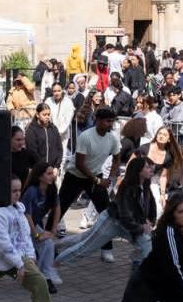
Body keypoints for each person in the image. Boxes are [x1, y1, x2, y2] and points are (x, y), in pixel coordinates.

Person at [57, 156, 156, 268]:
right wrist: (141, 227)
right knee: (86, 247)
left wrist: (150, 221)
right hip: (111, 222)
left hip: (129, 225)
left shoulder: (145, 184)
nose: (151, 170)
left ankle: (137, 266)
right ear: (138, 170)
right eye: (147, 167)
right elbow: (124, 214)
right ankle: (54, 264)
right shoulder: (128, 186)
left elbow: (151, 206)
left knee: (146, 244)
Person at [58, 108, 121, 263]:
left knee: (106, 213)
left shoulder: (113, 138)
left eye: (112, 121)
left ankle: (106, 249)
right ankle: (45, 244)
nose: (110, 124)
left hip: (95, 176)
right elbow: (80, 164)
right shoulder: (86, 136)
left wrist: (110, 178)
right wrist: (98, 181)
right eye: (107, 121)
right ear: (97, 120)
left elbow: (117, 158)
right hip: (75, 176)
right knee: (59, 209)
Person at [21, 162, 63, 292]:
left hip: (35, 224)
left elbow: (57, 208)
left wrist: (53, 230)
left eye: (52, 173)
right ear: (39, 177)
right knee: (44, 245)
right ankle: (41, 276)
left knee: (48, 244)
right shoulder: (31, 191)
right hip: (22, 225)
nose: (53, 176)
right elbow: (26, 215)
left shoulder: (51, 188)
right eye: (49, 174)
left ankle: (45, 276)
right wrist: (36, 235)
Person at [26, 102, 63, 169]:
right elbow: (32, 151)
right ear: (37, 114)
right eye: (44, 114)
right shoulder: (31, 130)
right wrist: (44, 167)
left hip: (53, 169)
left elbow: (59, 148)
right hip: (37, 169)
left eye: (48, 114)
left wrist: (56, 166)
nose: (47, 117)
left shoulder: (54, 128)